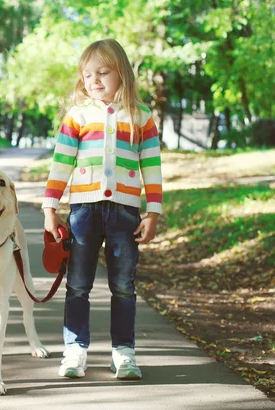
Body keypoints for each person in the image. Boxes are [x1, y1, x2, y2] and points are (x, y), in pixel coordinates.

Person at [42, 38, 162, 380]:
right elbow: (61, 163)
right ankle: (75, 350)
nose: (94, 80)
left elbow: (151, 168)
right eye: (88, 74)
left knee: (123, 285)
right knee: (78, 284)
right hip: (84, 210)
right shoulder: (78, 116)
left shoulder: (142, 118)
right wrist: (51, 207)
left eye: (103, 72)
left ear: (122, 73)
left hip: (125, 212)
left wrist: (152, 212)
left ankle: (124, 352)